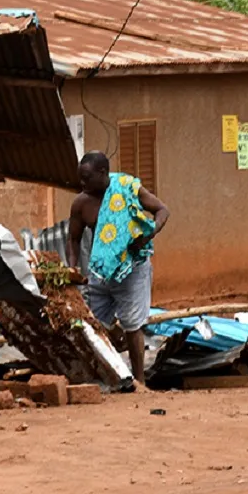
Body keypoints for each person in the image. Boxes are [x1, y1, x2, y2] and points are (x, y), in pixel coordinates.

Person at [66, 151, 170, 388]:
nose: (82, 183)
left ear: (103, 173)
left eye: (87, 178)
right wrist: (72, 268)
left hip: (132, 268)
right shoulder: (81, 203)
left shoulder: (126, 188)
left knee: (132, 325)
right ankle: (105, 379)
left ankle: (139, 382)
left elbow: (163, 210)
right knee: (95, 326)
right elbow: (73, 238)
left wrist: (150, 232)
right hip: (101, 272)